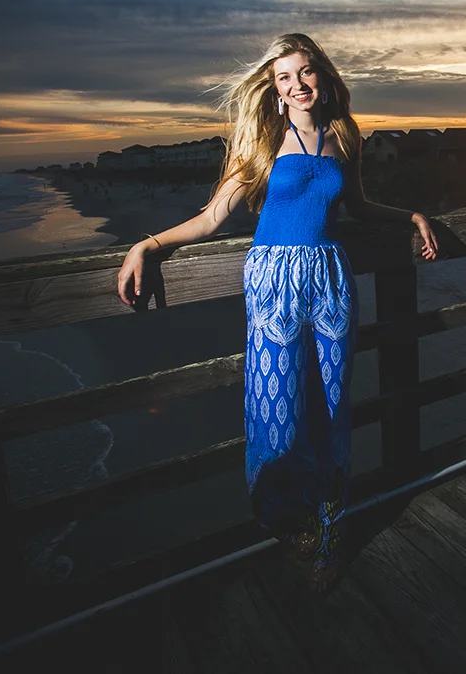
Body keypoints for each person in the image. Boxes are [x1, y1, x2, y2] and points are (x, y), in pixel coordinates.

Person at [116, 33, 438, 591]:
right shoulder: (261, 137)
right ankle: (289, 523)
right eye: (284, 76)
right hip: (273, 282)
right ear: (273, 86)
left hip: (331, 279)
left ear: (323, 74)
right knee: (278, 412)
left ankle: (328, 533)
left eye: (306, 71)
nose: (297, 84)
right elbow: (213, 217)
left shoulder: (344, 134)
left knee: (331, 408)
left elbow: (357, 207)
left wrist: (411, 216)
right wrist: (148, 244)